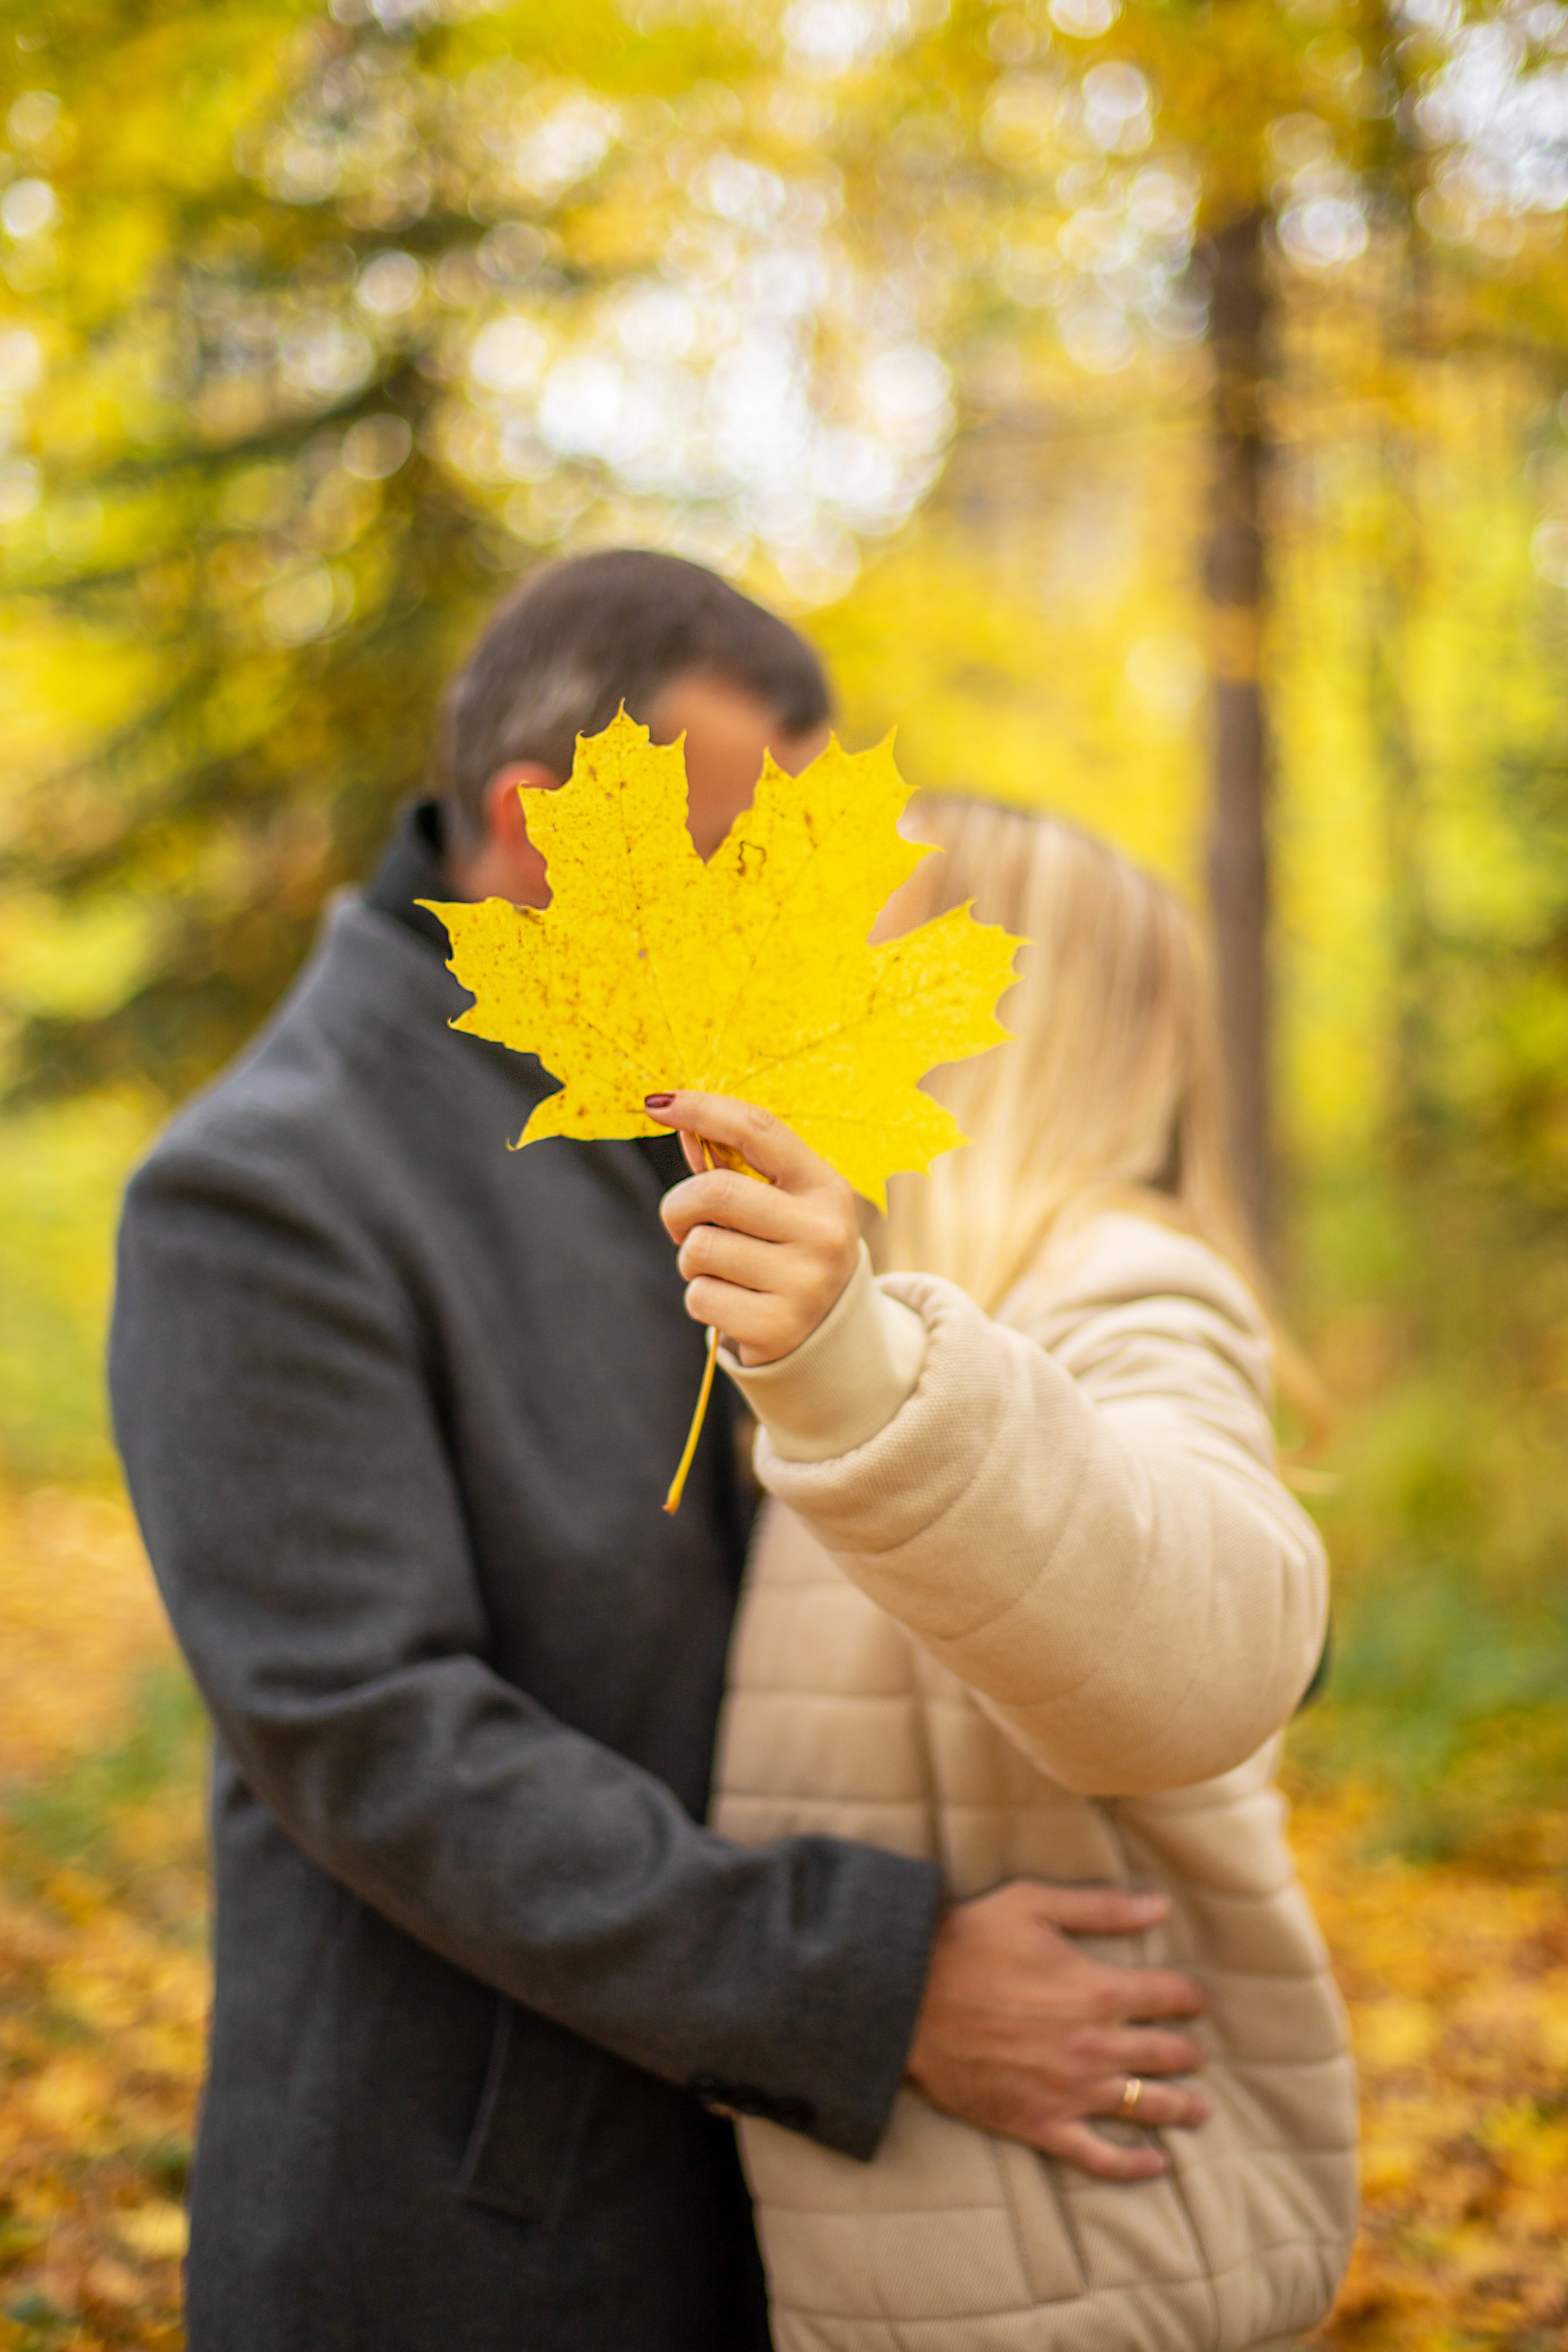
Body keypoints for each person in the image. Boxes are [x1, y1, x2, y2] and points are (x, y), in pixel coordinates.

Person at [108, 554, 1218, 2352]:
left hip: (779, 2205)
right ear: (546, 827)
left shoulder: (699, 1126)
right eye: (741, 861)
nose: (793, 929)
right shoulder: (265, 1189)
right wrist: (880, 1979)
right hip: (479, 2238)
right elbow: (374, 1736)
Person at [650, 799, 1359, 2351]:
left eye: (852, 954)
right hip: (969, 2253)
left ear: (988, 1017)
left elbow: (1209, 1657)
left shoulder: (1118, 1272)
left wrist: (858, 1378)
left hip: (1084, 2257)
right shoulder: (911, 1302)